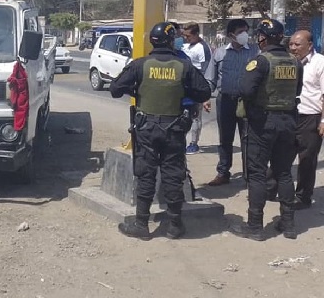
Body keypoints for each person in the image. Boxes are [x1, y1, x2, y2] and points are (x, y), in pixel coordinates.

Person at [110, 22, 211, 240]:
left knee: (145, 174)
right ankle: (175, 225)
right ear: (171, 41)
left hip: (146, 129)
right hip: (174, 129)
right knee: (173, 174)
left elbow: (115, 89)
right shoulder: (184, 66)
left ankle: (141, 225)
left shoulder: (140, 65)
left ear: (152, 41)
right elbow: (204, 92)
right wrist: (183, 90)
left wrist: (136, 89)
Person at [231, 19, 302, 241]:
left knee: (257, 173)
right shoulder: (295, 62)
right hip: (288, 122)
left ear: (263, 37)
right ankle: (288, 225)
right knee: (284, 172)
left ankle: (255, 226)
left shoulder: (260, 61)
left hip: (263, 123)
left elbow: (245, 90)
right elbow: (297, 90)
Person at [204, 19, 260, 186]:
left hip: (247, 102)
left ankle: (249, 176)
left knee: (247, 139)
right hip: (225, 100)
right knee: (225, 139)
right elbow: (211, 78)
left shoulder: (255, 52)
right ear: (231, 35)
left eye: (246, 31)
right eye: (241, 32)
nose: (245, 35)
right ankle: (223, 173)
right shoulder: (220, 53)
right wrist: (205, 97)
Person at [288, 30, 324, 210]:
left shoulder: (320, 62)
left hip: (311, 117)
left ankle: (303, 197)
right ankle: (270, 189)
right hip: (290, 115)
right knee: (283, 154)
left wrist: (323, 121)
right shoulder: (289, 62)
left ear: (309, 45)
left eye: (297, 44)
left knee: (307, 159)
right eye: (291, 44)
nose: (293, 48)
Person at [182, 22, 211, 154]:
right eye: (185, 35)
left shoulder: (203, 48)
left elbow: (206, 70)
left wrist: (205, 94)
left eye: (188, 36)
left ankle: (194, 143)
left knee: (195, 116)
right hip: (184, 86)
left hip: (196, 86)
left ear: (196, 34)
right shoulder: (186, 45)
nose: (186, 38)